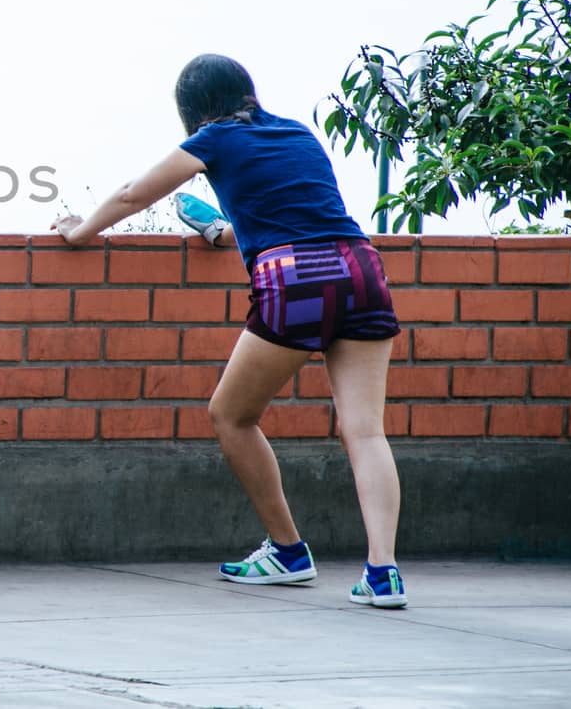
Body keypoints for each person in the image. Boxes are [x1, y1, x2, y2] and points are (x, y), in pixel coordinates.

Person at [51, 54, 408, 608]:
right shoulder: (298, 133)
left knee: (231, 415)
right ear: (248, 90)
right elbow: (291, 211)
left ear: (193, 111)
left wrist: (80, 233)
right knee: (364, 431)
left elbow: (132, 195)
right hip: (361, 266)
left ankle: (288, 551)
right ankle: (383, 574)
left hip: (296, 277)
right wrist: (220, 233)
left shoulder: (213, 139)